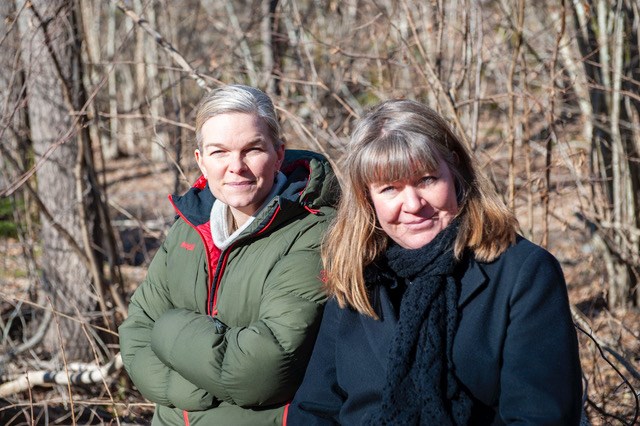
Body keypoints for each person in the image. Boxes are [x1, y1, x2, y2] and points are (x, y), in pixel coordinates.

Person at [287, 99, 583, 425]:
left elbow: (539, 417)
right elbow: (314, 410)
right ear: (366, 198)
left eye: (427, 179)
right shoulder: (357, 276)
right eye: (390, 188)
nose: (413, 204)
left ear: (454, 172)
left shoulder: (523, 273)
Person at [118, 84, 338, 425]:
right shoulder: (189, 228)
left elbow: (261, 372)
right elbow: (135, 335)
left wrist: (169, 329)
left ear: (279, 155)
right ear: (201, 161)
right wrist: (187, 389)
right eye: (219, 152)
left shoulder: (313, 231)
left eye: (252, 149)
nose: (236, 166)